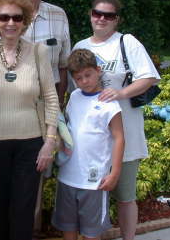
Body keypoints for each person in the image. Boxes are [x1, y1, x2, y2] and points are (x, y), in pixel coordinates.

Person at [0, 0, 59, 240]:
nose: (10, 23)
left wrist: (50, 141)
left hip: (31, 144)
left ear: (25, 21)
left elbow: (51, 98)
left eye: (17, 18)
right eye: (4, 17)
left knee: (23, 211)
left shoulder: (38, 52)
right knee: (0, 210)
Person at [72, 0, 160, 240]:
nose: (101, 19)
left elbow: (149, 77)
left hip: (125, 135)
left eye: (108, 15)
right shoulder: (80, 46)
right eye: (97, 13)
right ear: (90, 14)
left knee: (125, 197)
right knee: (90, 196)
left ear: (116, 19)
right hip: (91, 141)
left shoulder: (127, 42)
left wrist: (121, 93)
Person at [52, 48, 125, 240]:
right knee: (68, 226)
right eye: (78, 78)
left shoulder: (110, 103)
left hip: (94, 181)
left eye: (88, 75)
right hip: (67, 176)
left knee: (91, 233)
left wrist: (114, 173)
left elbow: (119, 137)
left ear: (98, 70)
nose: (84, 81)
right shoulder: (74, 97)